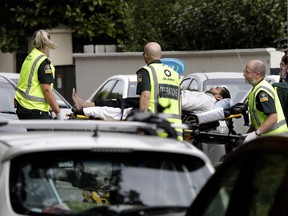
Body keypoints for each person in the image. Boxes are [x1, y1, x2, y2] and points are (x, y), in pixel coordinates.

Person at [71, 86, 232, 120]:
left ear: (219, 97)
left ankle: (84, 108)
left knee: (121, 108)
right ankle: (84, 106)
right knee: (121, 105)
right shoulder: (207, 99)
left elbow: (183, 101)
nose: (213, 87)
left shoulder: (207, 99)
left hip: (162, 105)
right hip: (164, 103)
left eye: (217, 88)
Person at [136, 42, 183, 140]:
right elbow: (180, 100)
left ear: (145, 56)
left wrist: (141, 124)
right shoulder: (175, 74)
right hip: (176, 130)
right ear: (160, 55)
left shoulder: (145, 71)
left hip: (155, 128)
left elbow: (145, 96)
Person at [14, 29, 65, 120]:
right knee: (46, 135)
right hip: (35, 110)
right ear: (47, 43)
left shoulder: (30, 57)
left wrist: (50, 108)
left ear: (34, 42)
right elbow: (46, 90)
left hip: (23, 107)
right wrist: (58, 112)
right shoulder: (43, 62)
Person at [243, 60, 288, 144]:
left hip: (276, 138)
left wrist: (256, 133)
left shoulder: (262, 91)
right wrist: (247, 135)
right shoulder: (257, 88)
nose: (244, 74)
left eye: (247, 72)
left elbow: (273, 117)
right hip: (269, 138)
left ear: (257, 74)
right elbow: (257, 120)